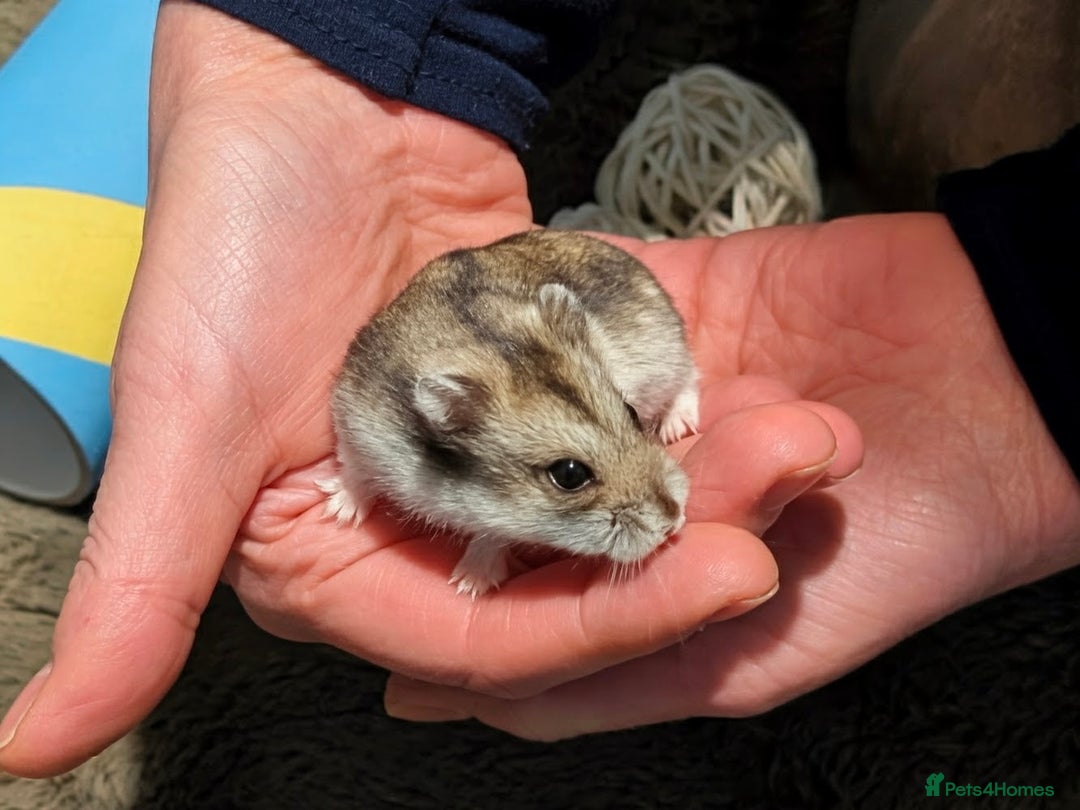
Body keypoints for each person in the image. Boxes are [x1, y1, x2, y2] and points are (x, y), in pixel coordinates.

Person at [1, 0, 1078, 778]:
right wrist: (346, 50)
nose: (663, 504)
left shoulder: (571, 364)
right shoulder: (402, 425)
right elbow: (383, 446)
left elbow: (578, 424)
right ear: (442, 438)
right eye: (571, 478)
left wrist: (1039, 331)